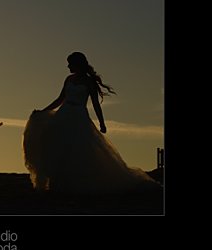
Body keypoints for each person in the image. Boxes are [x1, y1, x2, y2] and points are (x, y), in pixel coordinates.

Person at [23, 52, 160, 193]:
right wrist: (43, 111)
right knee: (57, 146)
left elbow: (95, 104)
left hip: (79, 116)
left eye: (70, 63)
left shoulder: (89, 82)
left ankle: (75, 183)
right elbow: (60, 99)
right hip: (63, 114)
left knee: (78, 150)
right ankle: (58, 182)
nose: (68, 66)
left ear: (78, 64)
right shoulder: (68, 79)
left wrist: (102, 123)